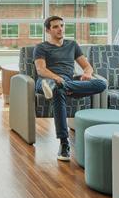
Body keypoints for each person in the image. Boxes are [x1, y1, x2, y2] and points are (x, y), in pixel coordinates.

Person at [33, 15, 106, 161]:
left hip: (66, 81)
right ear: (48, 30)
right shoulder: (41, 47)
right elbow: (41, 70)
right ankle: (64, 142)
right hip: (46, 81)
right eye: (55, 27)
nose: (60, 29)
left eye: (62, 25)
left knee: (101, 84)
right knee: (56, 88)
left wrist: (87, 74)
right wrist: (56, 78)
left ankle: (65, 87)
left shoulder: (72, 45)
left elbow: (87, 66)